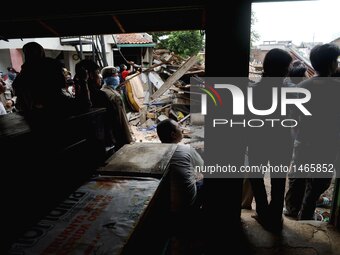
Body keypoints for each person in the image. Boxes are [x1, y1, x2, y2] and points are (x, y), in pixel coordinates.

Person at [284, 43, 340, 220]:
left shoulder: (304, 86)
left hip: (304, 141)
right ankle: (307, 214)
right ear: (331, 63)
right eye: (336, 60)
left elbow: (293, 117)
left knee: (297, 178)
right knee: (318, 182)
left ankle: (292, 210)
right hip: (327, 144)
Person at [247, 48, 293, 232]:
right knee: (279, 179)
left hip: (258, 141)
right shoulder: (290, 90)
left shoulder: (254, 90)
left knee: (256, 177)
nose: (289, 70)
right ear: (282, 69)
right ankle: (274, 216)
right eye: (287, 67)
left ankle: (264, 213)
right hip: (282, 142)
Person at [156, 119, 204, 216]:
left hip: (163, 205)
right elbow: (203, 168)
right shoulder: (186, 149)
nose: (182, 129)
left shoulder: (156, 151)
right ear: (173, 135)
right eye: (179, 127)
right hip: (186, 205)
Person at [101, 66, 133, 149]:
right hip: (118, 136)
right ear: (108, 78)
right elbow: (121, 119)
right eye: (115, 76)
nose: (117, 78)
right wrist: (128, 139)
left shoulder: (102, 91)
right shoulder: (114, 96)